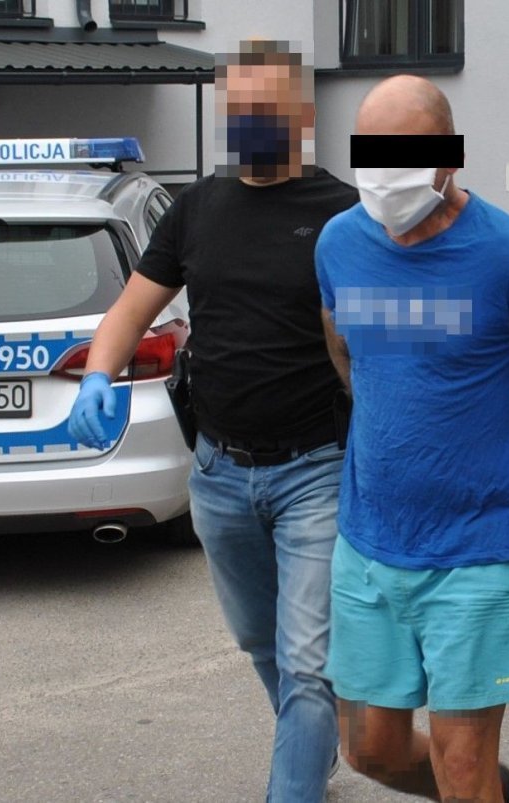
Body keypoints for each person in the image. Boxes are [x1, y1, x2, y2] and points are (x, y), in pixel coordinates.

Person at [315, 75, 509, 802]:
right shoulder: (339, 242)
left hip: (479, 548)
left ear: (449, 160)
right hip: (368, 540)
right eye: (371, 157)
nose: (384, 177)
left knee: (460, 766)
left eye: (403, 158)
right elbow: (342, 342)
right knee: (367, 748)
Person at [67, 40, 357, 802]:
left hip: (317, 469)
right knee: (260, 640)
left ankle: (295, 779)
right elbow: (131, 309)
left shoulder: (343, 213)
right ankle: (313, 741)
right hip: (219, 473)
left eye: (267, 106)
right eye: (240, 107)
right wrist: (98, 375)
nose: (251, 119)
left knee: (308, 660)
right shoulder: (196, 208)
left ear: (300, 112)